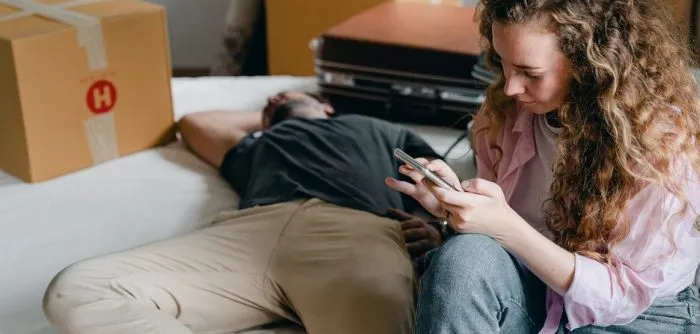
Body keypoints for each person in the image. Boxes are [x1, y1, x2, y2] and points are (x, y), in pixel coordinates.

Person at [386, 0, 700, 333]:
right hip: (538, 286)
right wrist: (455, 214)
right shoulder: (505, 114)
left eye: (530, 73)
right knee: (462, 260)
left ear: (587, 60)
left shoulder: (660, 142)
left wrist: (505, 227)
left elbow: (619, 295)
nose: (510, 88)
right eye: (503, 65)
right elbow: (498, 238)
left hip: (638, 313)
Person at [43, 91, 443, 334]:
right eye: (271, 102)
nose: (273, 99)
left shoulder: (377, 129)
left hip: (353, 231)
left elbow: (438, 183)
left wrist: (434, 228)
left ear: (327, 105)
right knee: (79, 288)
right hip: (248, 232)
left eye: (283, 96)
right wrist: (271, 117)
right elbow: (193, 123)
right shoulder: (258, 145)